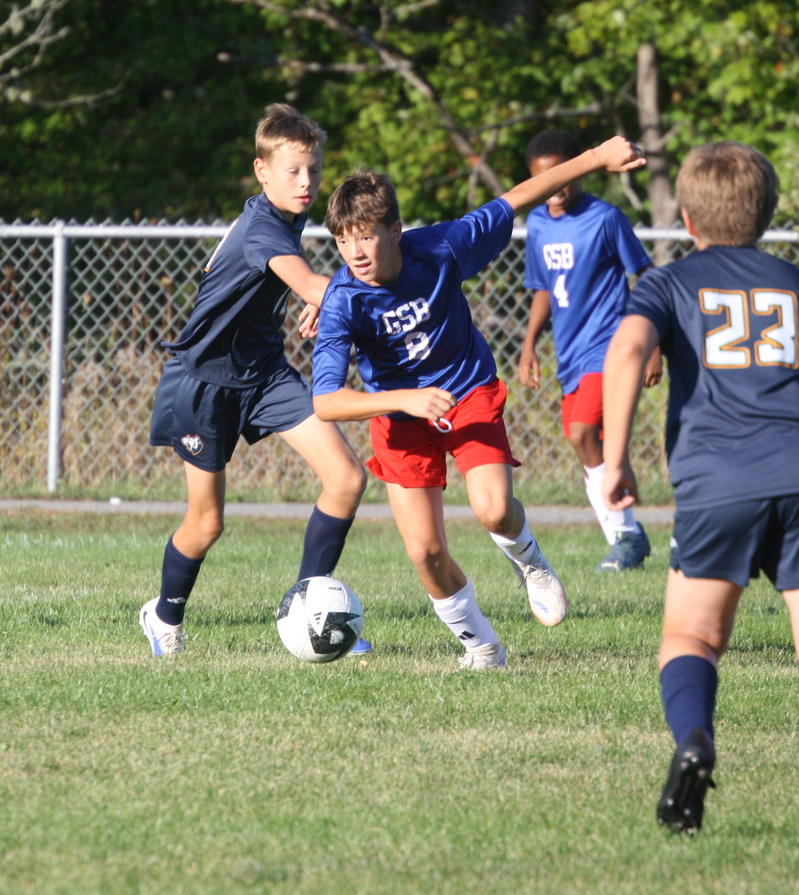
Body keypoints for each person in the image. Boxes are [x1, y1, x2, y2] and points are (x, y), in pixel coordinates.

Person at [602, 141, 799, 841]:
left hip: (716, 477)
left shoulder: (667, 283)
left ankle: (695, 739)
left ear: (687, 219)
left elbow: (627, 350)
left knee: (691, 634)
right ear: (766, 214)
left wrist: (615, 458)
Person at [312, 136, 647, 669]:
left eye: (366, 236)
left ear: (395, 231)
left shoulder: (442, 246)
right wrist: (405, 399)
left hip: (466, 391)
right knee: (425, 553)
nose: (354, 253)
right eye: (343, 240)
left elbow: (517, 198)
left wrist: (596, 158)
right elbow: (326, 401)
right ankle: (483, 649)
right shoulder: (342, 300)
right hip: (400, 416)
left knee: (493, 510)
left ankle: (529, 560)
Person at [142, 104, 368, 657]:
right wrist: (323, 294)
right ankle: (163, 616)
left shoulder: (285, 217)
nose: (307, 181)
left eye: (314, 169)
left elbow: (304, 282)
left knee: (345, 478)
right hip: (204, 381)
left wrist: (318, 295)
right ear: (262, 171)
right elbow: (308, 282)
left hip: (265, 373)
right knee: (207, 522)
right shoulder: (264, 227)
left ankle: (310, 611)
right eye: (293, 171)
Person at [518, 129, 662, 572]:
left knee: (582, 432)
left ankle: (626, 536)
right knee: (584, 446)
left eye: (564, 175)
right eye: (546, 178)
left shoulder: (605, 218)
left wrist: (653, 343)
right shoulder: (537, 224)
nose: (556, 186)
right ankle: (625, 537)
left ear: (579, 169)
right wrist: (529, 344)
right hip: (570, 352)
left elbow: (645, 277)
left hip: (610, 344)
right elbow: (543, 288)